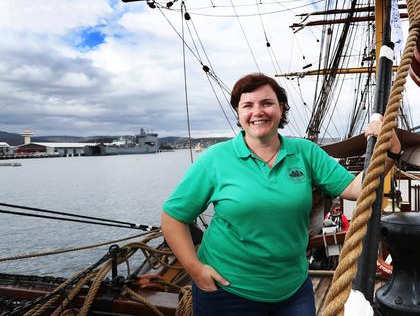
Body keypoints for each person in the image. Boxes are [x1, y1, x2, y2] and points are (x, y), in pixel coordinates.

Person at [160, 73, 401, 316]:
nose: (258, 112)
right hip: (228, 292)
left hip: (293, 290)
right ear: (238, 113)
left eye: (266, 103)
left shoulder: (305, 152)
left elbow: (356, 188)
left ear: (281, 108)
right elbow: (173, 217)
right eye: (248, 105)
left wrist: (390, 151)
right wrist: (196, 270)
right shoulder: (215, 159)